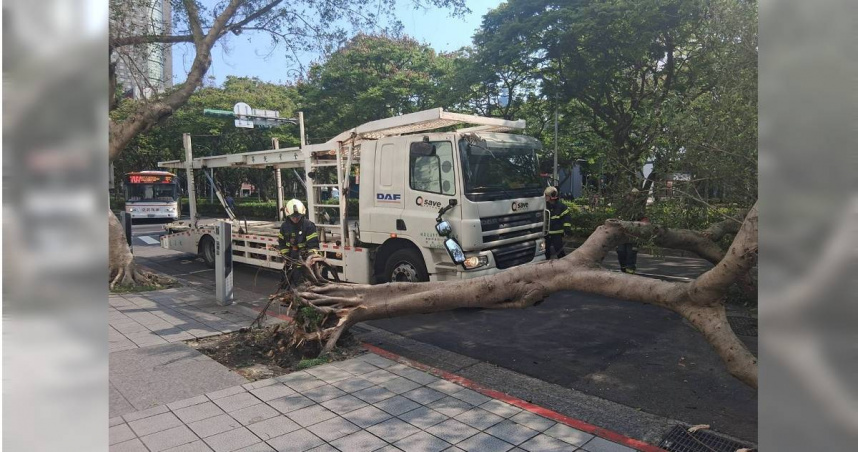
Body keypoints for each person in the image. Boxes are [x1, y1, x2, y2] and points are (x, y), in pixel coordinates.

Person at [277, 199, 321, 290]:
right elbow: (282, 243)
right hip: (291, 259)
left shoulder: (308, 226)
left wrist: (309, 259)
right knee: (285, 282)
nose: (296, 218)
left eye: (298, 216)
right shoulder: (284, 227)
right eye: (293, 216)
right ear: (288, 215)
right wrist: (285, 256)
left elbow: (313, 245)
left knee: (310, 283)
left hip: (306, 259)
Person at [615, 188, 648, 274]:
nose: (631, 198)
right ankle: (623, 268)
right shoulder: (623, 208)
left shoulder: (639, 209)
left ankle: (630, 270)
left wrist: (643, 227)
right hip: (622, 234)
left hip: (633, 235)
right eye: (630, 196)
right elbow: (617, 218)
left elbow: (644, 220)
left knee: (631, 253)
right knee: (621, 251)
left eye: (633, 196)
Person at [544, 186, 572, 259]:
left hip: (557, 233)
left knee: (559, 250)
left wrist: (567, 229)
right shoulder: (544, 206)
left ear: (551, 196)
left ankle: (564, 264)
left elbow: (567, 219)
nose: (545, 197)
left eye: (546, 195)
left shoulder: (561, 207)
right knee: (546, 251)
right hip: (546, 233)